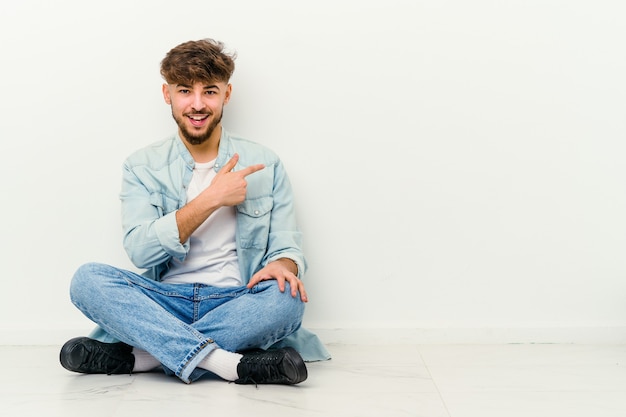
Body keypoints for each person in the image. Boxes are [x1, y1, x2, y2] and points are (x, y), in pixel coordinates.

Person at [59, 38, 329, 385]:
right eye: (185, 90)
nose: (198, 104)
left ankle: (146, 357)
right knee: (87, 280)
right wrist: (211, 198)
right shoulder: (142, 166)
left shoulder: (266, 163)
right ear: (167, 94)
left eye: (210, 92)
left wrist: (282, 265)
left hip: (236, 300)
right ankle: (230, 364)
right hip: (164, 302)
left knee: (286, 298)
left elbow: (287, 247)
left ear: (226, 95)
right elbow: (140, 251)